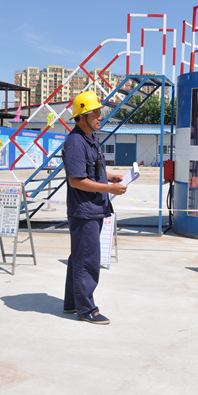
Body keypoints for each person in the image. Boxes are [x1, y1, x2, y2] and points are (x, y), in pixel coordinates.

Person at [62, 91, 127, 324]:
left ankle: (72, 303)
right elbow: (76, 180)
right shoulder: (75, 143)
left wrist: (111, 177)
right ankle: (87, 310)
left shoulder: (90, 139)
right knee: (87, 260)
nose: (100, 117)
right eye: (96, 113)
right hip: (85, 211)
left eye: (100, 112)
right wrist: (110, 189)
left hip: (93, 208)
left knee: (79, 257)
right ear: (82, 117)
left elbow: (92, 170)